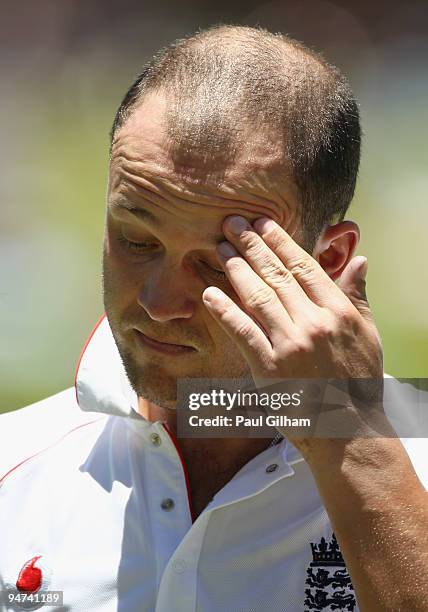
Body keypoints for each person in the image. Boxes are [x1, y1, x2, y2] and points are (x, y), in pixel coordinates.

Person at [0, 25, 427, 612]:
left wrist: (350, 438)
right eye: (136, 240)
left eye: (217, 263)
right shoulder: (13, 470)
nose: (158, 302)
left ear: (326, 263)